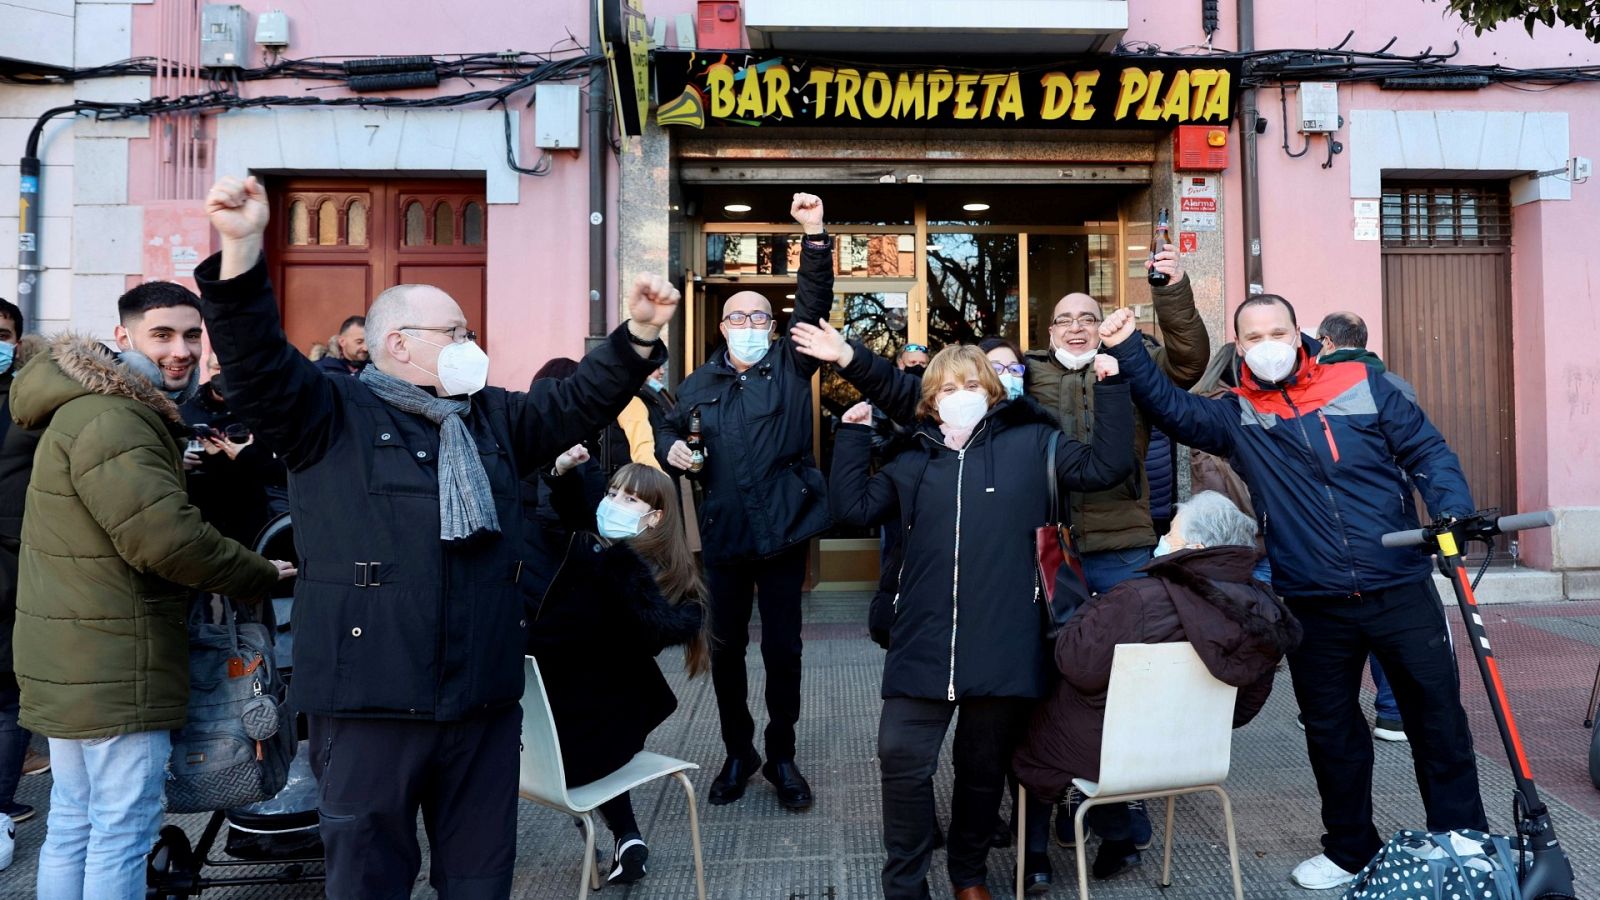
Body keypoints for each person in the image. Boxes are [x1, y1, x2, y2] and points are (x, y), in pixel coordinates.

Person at [195, 174, 675, 900]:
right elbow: (258, 366)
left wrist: (638, 334)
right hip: (370, 705)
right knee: (368, 877)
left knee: (480, 878)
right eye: (455, 333)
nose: (468, 344)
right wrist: (240, 247)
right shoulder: (330, 414)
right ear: (397, 344)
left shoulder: (495, 419)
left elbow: (576, 401)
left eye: (469, 333)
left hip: (479, 699)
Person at [1097, 295, 1485, 891]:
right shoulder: (1236, 413)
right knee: (1331, 731)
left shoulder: (1361, 383)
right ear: (1240, 347)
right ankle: (1351, 848)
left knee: (1437, 719)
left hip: (1399, 584)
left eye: (1276, 330)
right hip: (1311, 597)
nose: (1267, 343)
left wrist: (1452, 508)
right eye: (1252, 337)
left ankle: (1462, 842)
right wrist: (1128, 348)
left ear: (1300, 333)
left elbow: (1425, 450)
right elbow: (1173, 409)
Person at [10, 282, 293, 899]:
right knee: (119, 830)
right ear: (122, 339)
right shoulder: (118, 416)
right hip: (117, 656)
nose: (182, 350)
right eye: (161, 335)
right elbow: (165, 540)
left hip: (80, 652)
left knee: (75, 823)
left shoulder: (91, 406)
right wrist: (260, 573)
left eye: (192, 335)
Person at [826, 343, 1133, 900]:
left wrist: (1111, 388)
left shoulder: (1033, 443)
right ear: (930, 401)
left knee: (982, 770)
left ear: (992, 392)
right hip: (922, 640)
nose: (960, 397)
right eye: (947, 388)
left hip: (1005, 639)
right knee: (901, 758)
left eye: (971, 386)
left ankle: (969, 875)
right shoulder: (912, 458)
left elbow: (1105, 467)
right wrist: (850, 436)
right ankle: (905, 881)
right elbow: (851, 511)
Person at [1014, 491, 1301, 882]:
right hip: (1192, 753)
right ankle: (1118, 841)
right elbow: (1244, 707)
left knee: (1033, 724)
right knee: (1097, 732)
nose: (1163, 538)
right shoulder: (1264, 607)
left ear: (1197, 547)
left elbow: (1076, 665)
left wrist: (1085, 613)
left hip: (1114, 749)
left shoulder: (1139, 598)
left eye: (1171, 531)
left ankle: (1034, 863)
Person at [656, 193, 833, 811]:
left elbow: (814, 301)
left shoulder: (789, 365)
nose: (751, 325)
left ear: (773, 326)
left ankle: (782, 754)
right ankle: (739, 751)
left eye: (761, 317)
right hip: (725, 536)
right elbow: (670, 430)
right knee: (725, 651)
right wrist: (670, 449)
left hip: (784, 532)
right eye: (739, 317)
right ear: (722, 325)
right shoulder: (697, 383)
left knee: (784, 651)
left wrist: (813, 236)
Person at [524, 458, 708, 885]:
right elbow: (578, 515)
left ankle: (623, 835)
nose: (613, 503)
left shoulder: (624, 569)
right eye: (611, 493)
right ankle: (627, 836)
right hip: (580, 739)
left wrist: (618, 562)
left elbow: (657, 629)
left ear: (654, 517)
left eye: (629, 498)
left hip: (558, 748)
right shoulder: (600, 555)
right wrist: (565, 473)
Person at [1022, 244, 1209, 596]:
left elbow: (1189, 362)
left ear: (1101, 326)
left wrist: (1172, 291)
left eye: (1088, 319)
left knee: (1130, 642)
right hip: (1048, 542)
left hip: (1124, 546)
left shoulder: (1134, 363)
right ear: (1050, 331)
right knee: (1054, 648)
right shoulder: (1025, 374)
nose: (1075, 327)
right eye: (1064, 320)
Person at [1316, 311, 1417, 744]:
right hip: (1392, 519)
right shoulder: (1396, 384)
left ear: (1325, 342)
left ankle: (1329, 712)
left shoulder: (1315, 389)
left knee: (1338, 626)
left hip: (1334, 524)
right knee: (1386, 620)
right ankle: (1394, 714)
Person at [0, 299, 45, 825]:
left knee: (7, 697)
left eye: (4, 333)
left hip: (14, 570)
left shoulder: (29, 405)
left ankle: (1, 807)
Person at [180, 354, 289, 545]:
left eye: (229, 369)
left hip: (246, 506)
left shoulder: (257, 407)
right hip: (201, 504)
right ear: (207, 369)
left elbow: (275, 465)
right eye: (216, 368)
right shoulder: (186, 404)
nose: (223, 375)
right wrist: (182, 460)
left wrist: (245, 454)